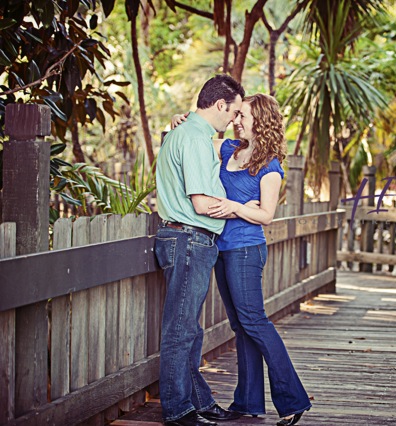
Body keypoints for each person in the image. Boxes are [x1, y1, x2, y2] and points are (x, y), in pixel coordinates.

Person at [171, 94, 312, 426]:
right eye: (236, 115)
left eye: (243, 116)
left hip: (247, 250)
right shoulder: (227, 149)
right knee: (241, 326)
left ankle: (293, 400)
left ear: (260, 121)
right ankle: (248, 402)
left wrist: (233, 207)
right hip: (222, 247)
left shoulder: (270, 166)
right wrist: (180, 120)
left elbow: (266, 215)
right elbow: (201, 132)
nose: (236, 120)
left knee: (255, 322)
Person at [154, 74, 245, 426]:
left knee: (189, 328)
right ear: (220, 105)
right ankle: (178, 410)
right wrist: (241, 206)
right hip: (189, 238)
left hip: (186, 239)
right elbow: (202, 203)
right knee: (181, 328)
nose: (235, 120)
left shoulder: (188, 133)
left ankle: (198, 400)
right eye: (235, 112)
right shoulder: (192, 139)